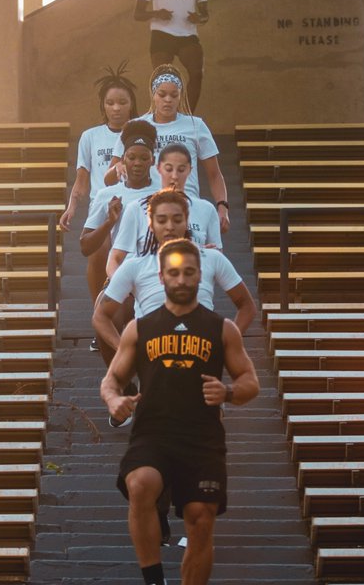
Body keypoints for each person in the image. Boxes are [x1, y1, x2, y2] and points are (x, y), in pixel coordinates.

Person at [100, 237, 259, 585]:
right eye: (174, 273)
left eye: (189, 273)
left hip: (202, 437)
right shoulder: (139, 328)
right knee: (140, 483)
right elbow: (111, 380)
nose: (182, 280)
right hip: (153, 432)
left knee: (201, 519)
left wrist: (228, 392)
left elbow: (250, 381)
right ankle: (154, 580)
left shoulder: (222, 329)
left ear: (200, 276)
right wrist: (115, 401)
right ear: (161, 277)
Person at [93, 190, 256, 371]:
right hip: (154, 372)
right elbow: (100, 316)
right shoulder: (135, 266)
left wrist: (225, 347)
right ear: (151, 224)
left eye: (177, 220)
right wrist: (124, 351)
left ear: (187, 221)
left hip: (202, 368)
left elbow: (247, 306)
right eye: (162, 220)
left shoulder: (211, 257)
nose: (170, 226)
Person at [105, 64, 230, 233]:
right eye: (162, 94)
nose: (168, 100)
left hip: (186, 206)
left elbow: (214, 174)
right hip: (145, 207)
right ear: (153, 95)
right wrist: (117, 167)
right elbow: (108, 179)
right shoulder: (136, 126)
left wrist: (222, 206)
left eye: (174, 95)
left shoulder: (195, 125)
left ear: (180, 96)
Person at [106, 143, 221, 279]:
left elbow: (218, 261)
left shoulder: (206, 209)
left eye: (181, 169)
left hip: (193, 290)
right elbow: (114, 259)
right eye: (168, 169)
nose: (174, 176)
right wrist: (122, 289)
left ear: (190, 170)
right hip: (149, 291)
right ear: (158, 168)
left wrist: (206, 256)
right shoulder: (137, 208)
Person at [80, 119, 158, 303]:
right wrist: (109, 222)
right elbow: (85, 246)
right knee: (107, 313)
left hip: (154, 274)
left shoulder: (164, 193)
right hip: (120, 272)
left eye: (144, 158)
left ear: (153, 160)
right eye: (132, 157)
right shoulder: (107, 195)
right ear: (123, 159)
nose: (137, 163)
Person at [60, 61, 139, 232]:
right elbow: (81, 179)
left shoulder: (141, 133)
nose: (116, 108)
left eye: (122, 102)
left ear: (131, 103)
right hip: (100, 208)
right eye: (110, 103)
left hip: (133, 206)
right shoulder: (90, 136)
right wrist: (71, 207)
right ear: (103, 105)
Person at [134, 0, 208, 108]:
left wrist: (199, 18)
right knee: (162, 79)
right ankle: (161, 115)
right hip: (162, 35)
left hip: (187, 34)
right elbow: (137, 14)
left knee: (197, 74)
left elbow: (205, 14)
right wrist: (156, 13)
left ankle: (187, 116)